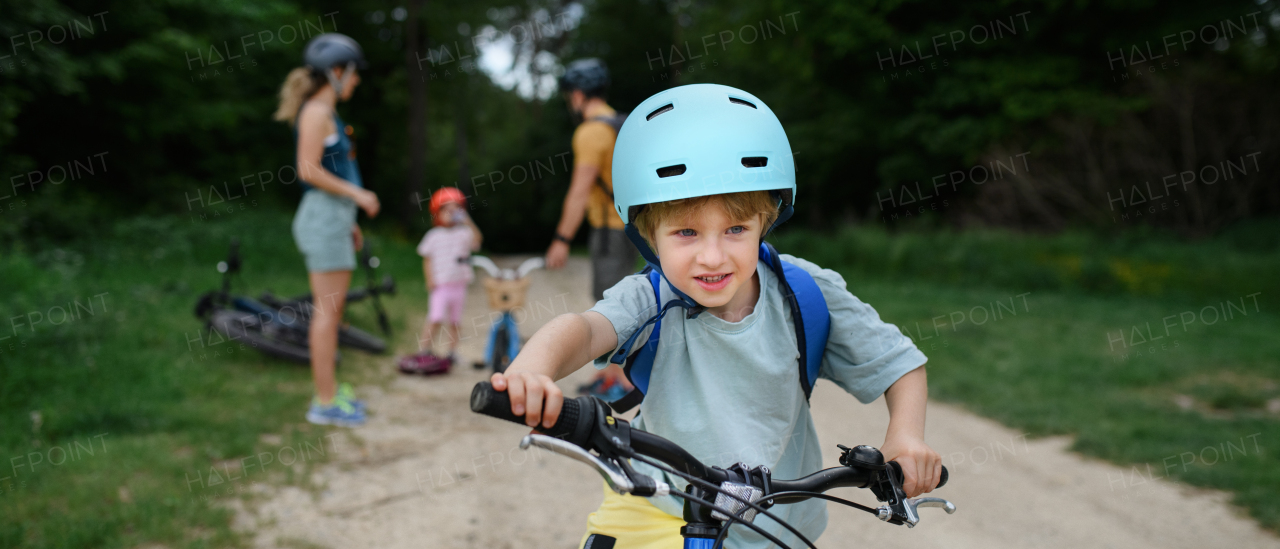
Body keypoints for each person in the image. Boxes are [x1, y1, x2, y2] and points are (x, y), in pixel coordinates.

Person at [489, 84, 942, 548]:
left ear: (765, 222)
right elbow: (583, 332)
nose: (712, 256)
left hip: (776, 525)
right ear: (649, 233)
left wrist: (904, 437)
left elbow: (898, 363)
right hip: (656, 502)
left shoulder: (804, 292)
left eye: (735, 229)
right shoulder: (651, 297)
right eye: (686, 231)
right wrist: (533, 370)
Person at [273, 33, 379, 427]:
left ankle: (330, 391)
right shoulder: (317, 112)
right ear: (336, 72)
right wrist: (360, 195)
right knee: (327, 315)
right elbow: (308, 169)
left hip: (333, 219)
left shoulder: (326, 112)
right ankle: (325, 402)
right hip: (323, 218)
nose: (356, 81)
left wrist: (349, 220)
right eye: (353, 73)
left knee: (331, 314)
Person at [545, 58, 636, 401]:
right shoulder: (619, 124)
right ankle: (611, 375)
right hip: (626, 224)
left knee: (610, 304)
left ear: (579, 94)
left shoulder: (590, 131)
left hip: (610, 229)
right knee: (612, 298)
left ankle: (622, 383)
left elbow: (580, 190)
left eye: (570, 95)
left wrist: (562, 238)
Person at [398, 187, 483, 374]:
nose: (452, 214)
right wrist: (430, 280)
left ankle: (451, 352)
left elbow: (477, 239)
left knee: (455, 321)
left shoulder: (464, 233)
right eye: (447, 210)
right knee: (435, 318)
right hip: (441, 286)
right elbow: (427, 259)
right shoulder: (433, 236)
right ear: (437, 213)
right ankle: (424, 350)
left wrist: (467, 220)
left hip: (459, 285)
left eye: (456, 209)